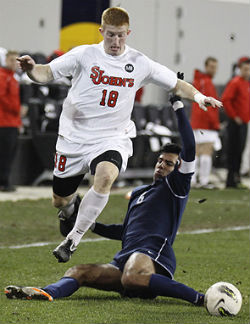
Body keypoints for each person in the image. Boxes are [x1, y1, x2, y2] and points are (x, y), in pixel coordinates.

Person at [17, 7, 222, 263]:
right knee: (59, 200)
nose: (116, 42)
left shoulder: (139, 62)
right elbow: (46, 73)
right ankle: (70, 209)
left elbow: (176, 83)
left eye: (121, 36)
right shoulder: (83, 55)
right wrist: (30, 69)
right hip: (74, 140)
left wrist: (200, 97)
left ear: (128, 33)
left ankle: (72, 240)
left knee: (105, 177)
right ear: (102, 32)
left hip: (112, 138)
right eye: (111, 35)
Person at [5, 94, 205, 307]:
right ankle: (44, 292)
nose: (161, 165)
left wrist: (177, 105)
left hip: (152, 255)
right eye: (160, 161)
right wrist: (92, 225)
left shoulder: (176, 187)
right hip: (126, 258)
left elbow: (190, 147)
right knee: (80, 271)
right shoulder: (139, 193)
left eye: (169, 163)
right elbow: (126, 232)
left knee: (132, 276)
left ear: (179, 168)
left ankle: (199, 298)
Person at [190, 57, 221, 189]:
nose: (214, 70)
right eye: (212, 67)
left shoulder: (199, 80)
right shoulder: (206, 82)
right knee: (206, 152)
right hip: (206, 123)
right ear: (206, 66)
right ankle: (203, 180)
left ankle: (191, 181)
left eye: (215, 67)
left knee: (196, 153)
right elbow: (209, 106)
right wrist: (215, 124)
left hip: (196, 122)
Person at [222, 57, 250, 188]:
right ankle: (230, 180)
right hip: (235, 124)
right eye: (245, 69)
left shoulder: (246, 84)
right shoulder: (235, 82)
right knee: (233, 151)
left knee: (240, 151)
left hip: (244, 123)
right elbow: (226, 100)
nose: (248, 72)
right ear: (240, 69)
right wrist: (234, 116)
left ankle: (236, 177)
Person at [0, 50, 22, 192]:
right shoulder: (3, 77)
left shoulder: (13, 78)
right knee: (5, 154)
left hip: (12, 122)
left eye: (16, 61)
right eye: (11, 60)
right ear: (6, 61)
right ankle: (4, 182)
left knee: (9, 154)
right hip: (4, 122)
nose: (14, 63)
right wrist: (16, 109)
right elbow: (3, 98)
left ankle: (5, 180)